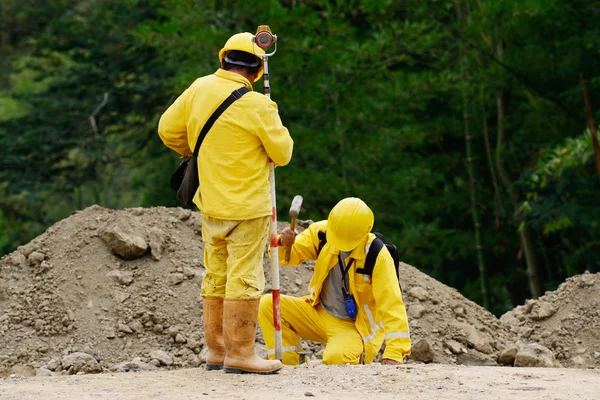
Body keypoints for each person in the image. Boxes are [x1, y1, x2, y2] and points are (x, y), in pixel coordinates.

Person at [158, 32, 293, 374]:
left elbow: (167, 129)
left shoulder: (199, 88)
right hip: (248, 208)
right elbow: (283, 153)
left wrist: (194, 149)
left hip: (211, 204)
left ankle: (216, 351)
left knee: (215, 274)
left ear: (223, 61)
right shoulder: (258, 105)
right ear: (257, 71)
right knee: (244, 277)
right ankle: (241, 353)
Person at [258, 197, 411, 365]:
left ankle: (357, 355)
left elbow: (392, 304)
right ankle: (289, 364)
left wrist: (394, 353)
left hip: (352, 326)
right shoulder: (323, 234)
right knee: (269, 306)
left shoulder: (376, 255)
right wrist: (283, 243)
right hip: (318, 311)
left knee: (336, 359)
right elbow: (285, 257)